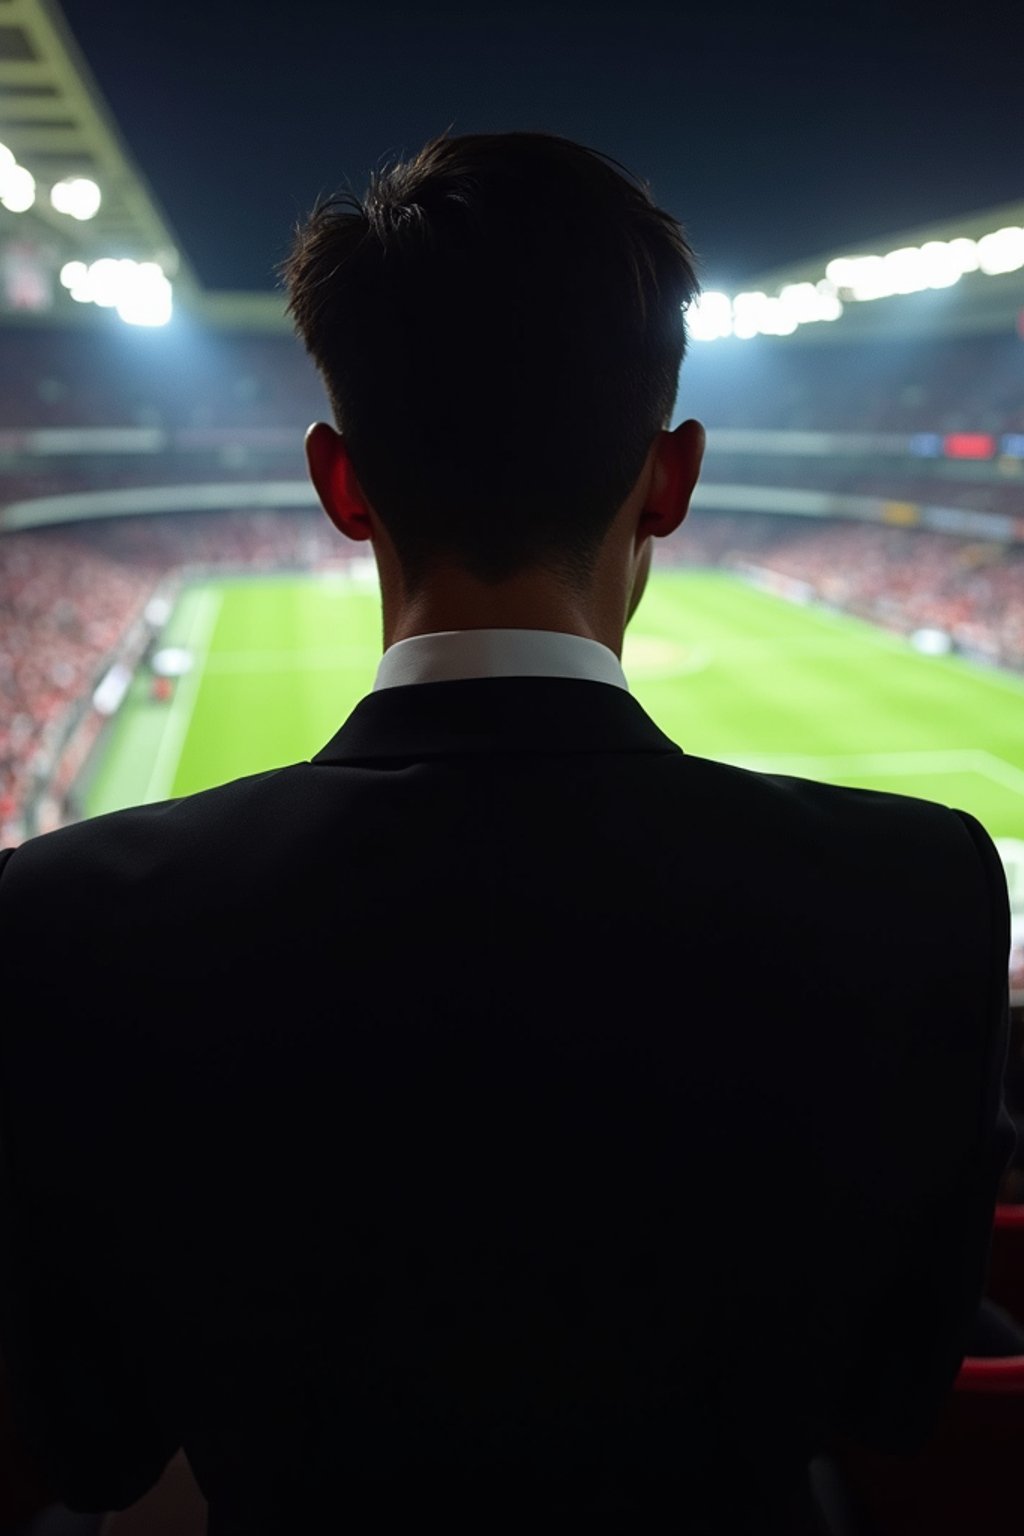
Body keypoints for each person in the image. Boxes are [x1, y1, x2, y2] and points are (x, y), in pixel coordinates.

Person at [0, 130, 1014, 1536]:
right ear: (671, 481)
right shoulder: (919, 898)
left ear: (339, 485)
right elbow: (901, 1406)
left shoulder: (71, 919)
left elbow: (95, 1446)